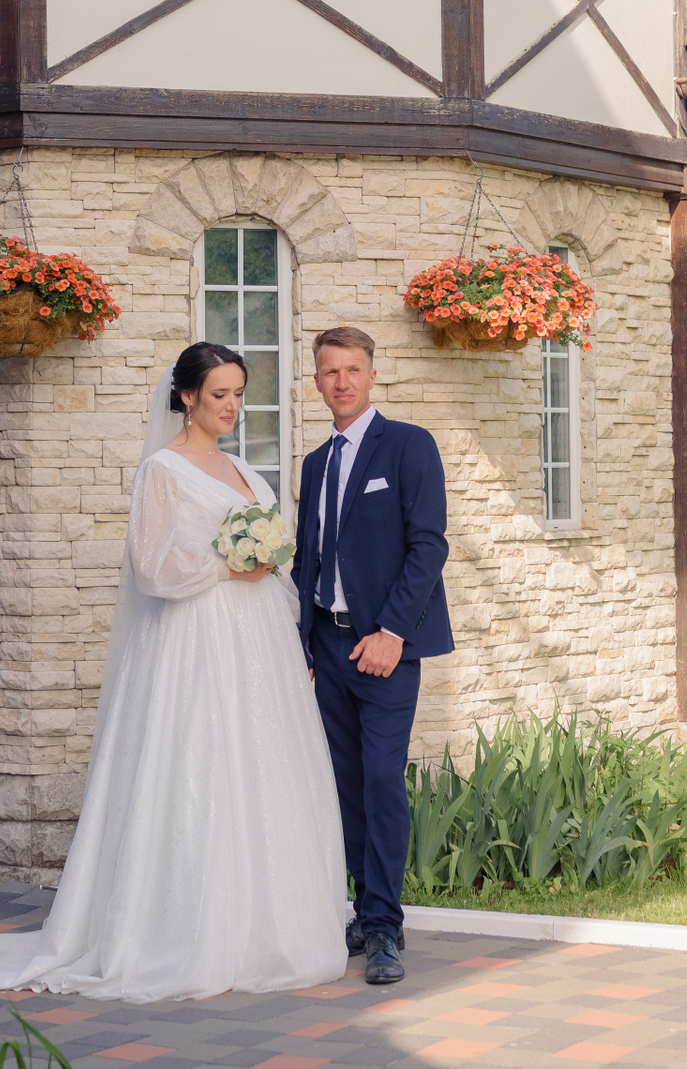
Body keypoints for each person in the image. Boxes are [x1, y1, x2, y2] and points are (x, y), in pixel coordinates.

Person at [0, 342, 346, 1002]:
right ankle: (183, 929)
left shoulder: (243, 468)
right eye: (219, 394)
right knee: (198, 764)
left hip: (257, 641)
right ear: (187, 396)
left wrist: (267, 562)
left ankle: (267, 923)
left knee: (263, 767)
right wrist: (227, 565)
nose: (232, 406)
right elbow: (151, 567)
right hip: (197, 639)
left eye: (239, 393)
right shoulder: (163, 469)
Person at [292, 326, 453, 985]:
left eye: (353, 369)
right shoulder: (315, 464)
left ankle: (385, 926)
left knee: (382, 780)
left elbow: (429, 545)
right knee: (345, 785)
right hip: (326, 646)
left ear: (372, 375)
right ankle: (364, 911)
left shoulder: (409, 445)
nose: (342, 382)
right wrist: (299, 642)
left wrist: (391, 631)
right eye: (330, 372)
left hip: (382, 647)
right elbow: (308, 560)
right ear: (317, 381)